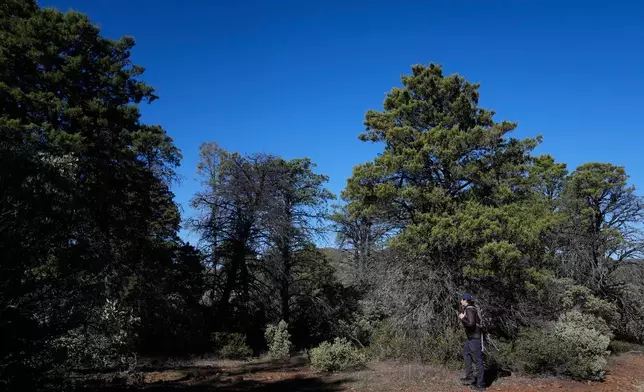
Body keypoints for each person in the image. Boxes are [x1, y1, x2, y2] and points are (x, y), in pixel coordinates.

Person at [459, 293, 485, 390]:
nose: (460, 301)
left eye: (461, 299)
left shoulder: (470, 309)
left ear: (465, 300)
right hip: (471, 338)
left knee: (478, 361)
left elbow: (471, 324)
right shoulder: (470, 308)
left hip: (475, 338)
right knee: (466, 354)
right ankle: (469, 377)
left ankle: (481, 385)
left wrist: (462, 318)